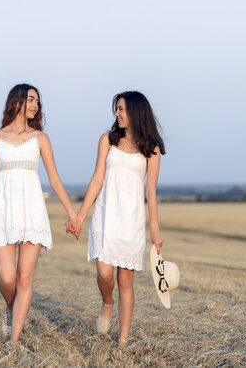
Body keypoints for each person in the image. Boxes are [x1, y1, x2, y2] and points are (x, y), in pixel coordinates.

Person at [0, 83, 80, 342]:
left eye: (37, 101)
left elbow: (54, 179)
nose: (35, 105)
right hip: (2, 210)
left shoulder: (40, 139)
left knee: (24, 278)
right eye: (31, 99)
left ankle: (14, 341)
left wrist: (72, 214)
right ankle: (11, 309)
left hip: (32, 210)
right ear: (16, 102)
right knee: (7, 280)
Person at [67, 91, 165, 347]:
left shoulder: (151, 149)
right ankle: (107, 303)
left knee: (126, 280)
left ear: (135, 111)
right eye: (116, 109)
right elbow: (97, 178)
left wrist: (154, 228)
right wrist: (79, 216)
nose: (117, 114)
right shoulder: (107, 140)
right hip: (105, 215)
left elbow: (151, 191)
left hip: (131, 220)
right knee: (104, 274)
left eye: (121, 109)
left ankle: (123, 340)